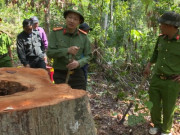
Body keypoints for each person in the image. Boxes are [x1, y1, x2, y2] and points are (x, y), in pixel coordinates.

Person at [144, 11, 180, 135]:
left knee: (168, 107)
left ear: (169, 26)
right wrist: (149, 65)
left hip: (172, 82)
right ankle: (157, 125)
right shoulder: (161, 38)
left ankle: (165, 130)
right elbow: (155, 54)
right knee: (153, 104)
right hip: (157, 78)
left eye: (162, 24)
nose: (160, 26)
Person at [47, 8, 91, 90]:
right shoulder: (55, 33)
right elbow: (50, 53)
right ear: (66, 18)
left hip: (77, 73)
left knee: (80, 97)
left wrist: (78, 63)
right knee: (61, 99)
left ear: (79, 22)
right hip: (60, 73)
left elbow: (88, 55)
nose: (72, 21)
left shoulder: (83, 37)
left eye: (75, 19)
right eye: (70, 17)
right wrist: (67, 50)